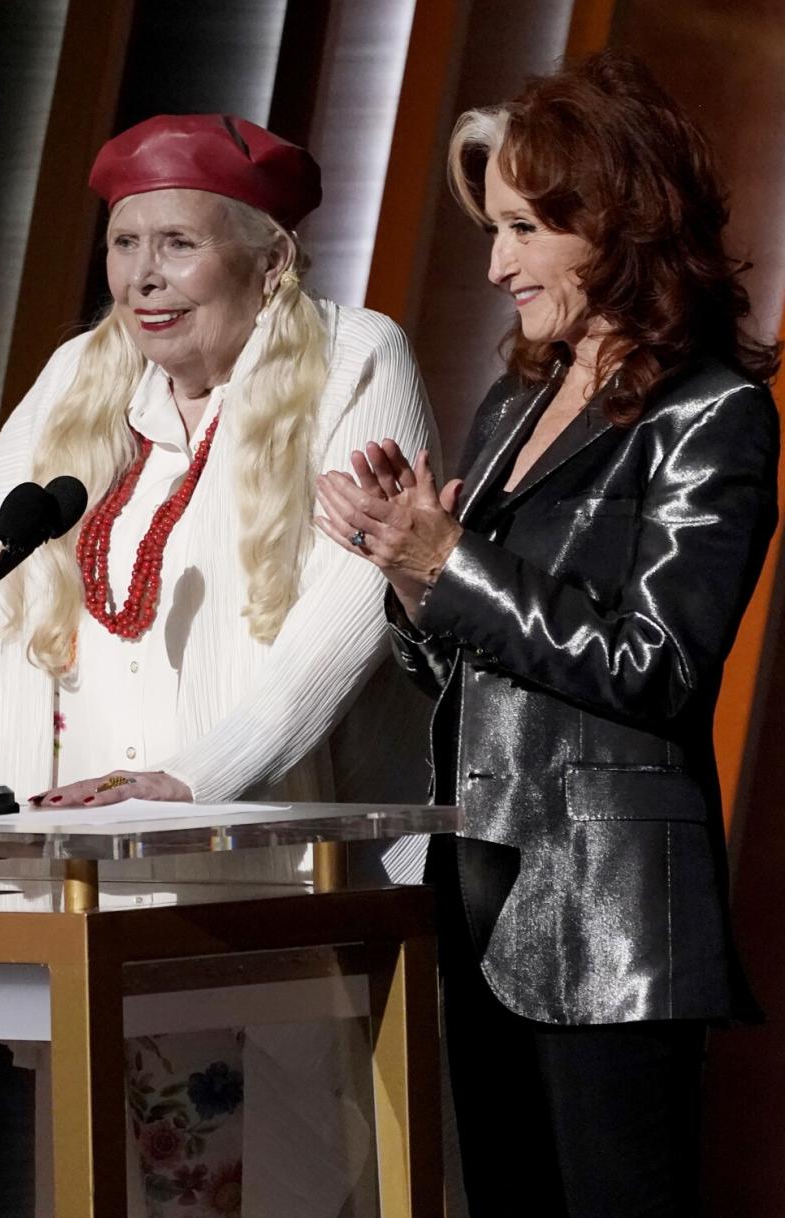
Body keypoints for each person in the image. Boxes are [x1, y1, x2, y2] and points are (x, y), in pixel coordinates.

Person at [0, 113, 435, 1217]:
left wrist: (200, 778)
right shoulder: (76, 382)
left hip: (268, 845)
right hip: (90, 866)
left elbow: (354, 606)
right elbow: (7, 607)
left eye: (178, 244)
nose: (142, 279)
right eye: (124, 244)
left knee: (302, 1165)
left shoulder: (358, 354)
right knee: (115, 1170)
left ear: (269, 259)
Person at [315, 51, 779, 1218]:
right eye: (496, 227)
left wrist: (450, 564)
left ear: (615, 218)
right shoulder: (519, 398)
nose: (496, 263)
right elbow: (464, 663)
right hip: (480, 893)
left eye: (525, 228)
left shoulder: (712, 413)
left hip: (610, 924)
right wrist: (409, 569)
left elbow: (657, 664)